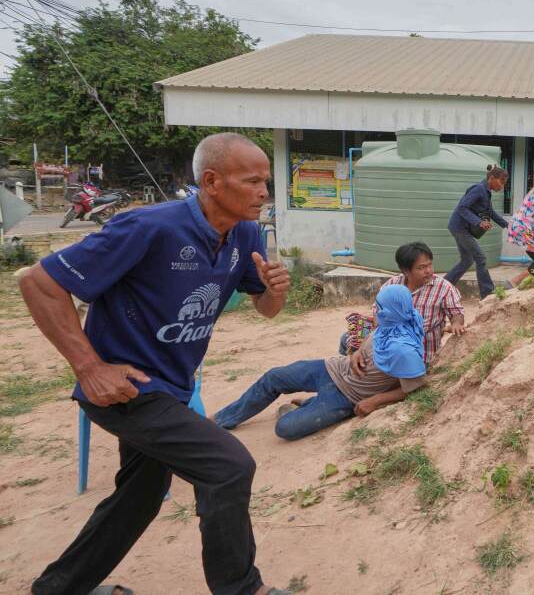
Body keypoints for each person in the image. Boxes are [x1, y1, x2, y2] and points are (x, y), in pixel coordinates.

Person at [18, 132, 292, 595]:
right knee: (227, 466)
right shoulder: (148, 227)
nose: (265, 191)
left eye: (266, 180)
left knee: (139, 498)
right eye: (253, 181)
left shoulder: (244, 234)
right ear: (212, 182)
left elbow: (264, 309)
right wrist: (90, 368)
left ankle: (58, 589)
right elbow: (38, 282)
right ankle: (241, 588)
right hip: (127, 389)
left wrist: (275, 291)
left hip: (172, 388)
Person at [216, 285, 426, 440]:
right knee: (274, 377)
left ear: (390, 311)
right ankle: (221, 421)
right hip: (331, 368)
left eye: (379, 307)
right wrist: (356, 353)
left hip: (346, 397)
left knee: (286, 429)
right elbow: (370, 340)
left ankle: (309, 406)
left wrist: (375, 400)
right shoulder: (391, 322)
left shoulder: (404, 350)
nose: (375, 310)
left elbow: (413, 387)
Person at [339, 242, 465, 362]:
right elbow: (378, 314)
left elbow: (456, 313)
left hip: (420, 354)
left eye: (430, 265)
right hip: (389, 346)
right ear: (406, 270)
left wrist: (457, 323)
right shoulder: (392, 285)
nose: (429, 271)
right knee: (347, 340)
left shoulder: (444, 287)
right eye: (422, 267)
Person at [444, 165, 509, 298]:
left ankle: (443, 286)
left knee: (466, 261)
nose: (502, 186)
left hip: (461, 228)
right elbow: (462, 208)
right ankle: (487, 293)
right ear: (491, 178)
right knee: (480, 257)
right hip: (460, 228)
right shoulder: (479, 189)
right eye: (501, 182)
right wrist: (478, 222)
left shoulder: (486, 192)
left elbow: (490, 213)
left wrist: (508, 226)